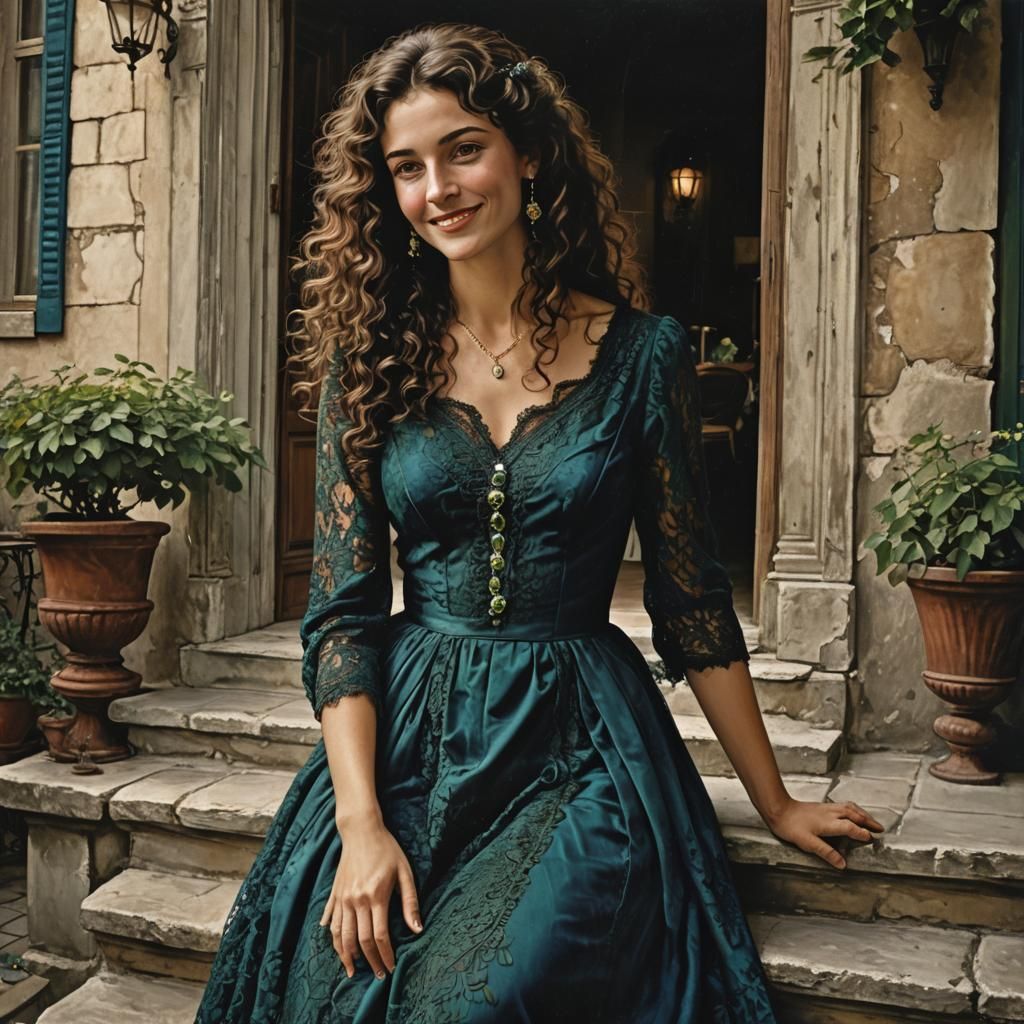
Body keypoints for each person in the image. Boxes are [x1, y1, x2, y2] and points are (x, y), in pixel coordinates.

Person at [193, 21, 884, 1024]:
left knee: (475, 1000)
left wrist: (774, 799)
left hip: (578, 737)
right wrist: (360, 823)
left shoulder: (643, 355)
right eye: (407, 168)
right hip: (413, 739)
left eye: (463, 150)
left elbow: (691, 602)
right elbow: (341, 619)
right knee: (354, 982)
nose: (439, 189)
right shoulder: (369, 367)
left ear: (526, 150)